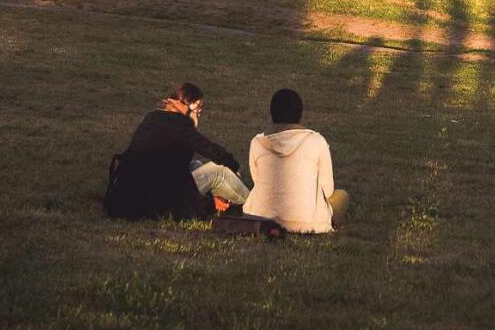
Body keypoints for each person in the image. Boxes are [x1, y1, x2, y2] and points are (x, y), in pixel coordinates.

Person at [104, 83, 249, 220]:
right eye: (199, 107)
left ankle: (218, 199)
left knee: (195, 164)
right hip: (158, 197)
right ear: (188, 105)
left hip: (132, 190)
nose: (200, 112)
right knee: (219, 171)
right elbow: (209, 148)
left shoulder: (153, 118)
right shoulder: (180, 125)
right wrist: (233, 166)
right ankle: (258, 206)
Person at [241, 88, 350, 234]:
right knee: (342, 196)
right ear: (300, 113)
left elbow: (257, 180)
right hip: (307, 221)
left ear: (272, 113)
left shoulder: (257, 142)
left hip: (260, 218)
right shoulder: (316, 141)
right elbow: (327, 190)